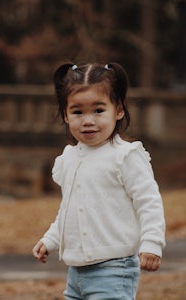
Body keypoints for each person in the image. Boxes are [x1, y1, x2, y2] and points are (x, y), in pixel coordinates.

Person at [33, 62, 166, 299]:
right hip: (75, 272)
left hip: (114, 269)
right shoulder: (69, 158)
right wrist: (51, 239)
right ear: (65, 114)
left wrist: (152, 242)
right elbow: (70, 208)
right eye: (77, 112)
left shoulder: (124, 156)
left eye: (98, 110)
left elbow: (149, 202)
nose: (87, 120)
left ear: (119, 110)